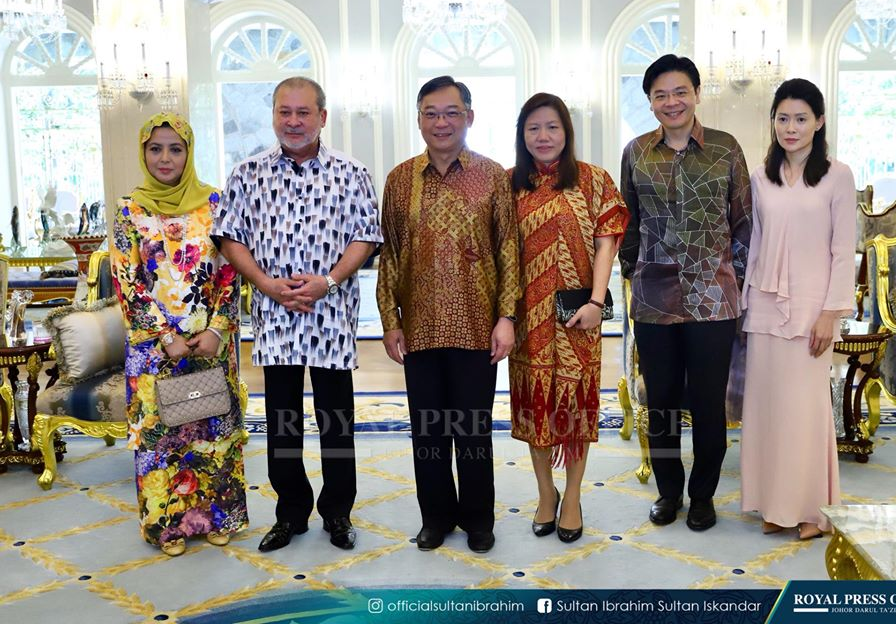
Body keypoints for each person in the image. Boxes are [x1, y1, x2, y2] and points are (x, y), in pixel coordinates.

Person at [213, 77, 381, 553]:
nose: (293, 121)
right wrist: (265, 284)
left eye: (303, 112)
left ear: (322, 117)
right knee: (282, 421)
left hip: (331, 314)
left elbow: (366, 236)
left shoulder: (352, 172)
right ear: (273, 115)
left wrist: (328, 280)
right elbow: (229, 237)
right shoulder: (247, 174)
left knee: (336, 420)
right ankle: (290, 513)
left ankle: (338, 512)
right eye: (284, 112)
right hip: (276, 316)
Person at [377, 75, 520, 554]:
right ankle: (435, 518)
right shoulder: (400, 180)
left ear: (469, 117)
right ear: (419, 119)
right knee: (429, 432)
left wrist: (507, 317)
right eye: (431, 113)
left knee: (473, 430)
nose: (441, 122)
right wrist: (390, 319)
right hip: (419, 327)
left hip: (477, 326)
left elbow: (508, 251)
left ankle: (479, 519)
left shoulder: (492, 176)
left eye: (451, 112)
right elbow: (390, 255)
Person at [619, 54, 752, 531]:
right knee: (661, 403)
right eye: (661, 95)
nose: (671, 102)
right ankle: (668, 492)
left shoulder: (725, 148)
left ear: (696, 93)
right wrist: (633, 273)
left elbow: (743, 222)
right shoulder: (636, 152)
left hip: (713, 299)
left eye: (680, 92)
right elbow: (627, 222)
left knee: (708, 403)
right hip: (653, 300)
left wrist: (734, 282)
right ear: (650, 101)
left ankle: (702, 496)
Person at [112, 113, 248, 557]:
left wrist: (217, 329)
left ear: (189, 153)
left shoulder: (215, 203)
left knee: (212, 430)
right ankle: (167, 527)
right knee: (161, 437)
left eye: (175, 148)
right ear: (143, 153)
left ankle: (216, 517)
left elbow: (230, 271)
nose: (165, 158)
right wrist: (163, 336)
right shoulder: (129, 210)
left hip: (209, 343)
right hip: (154, 349)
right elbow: (127, 280)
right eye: (155, 149)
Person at [508, 93, 628, 543]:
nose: (543, 136)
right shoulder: (509, 185)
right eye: (533, 128)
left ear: (567, 132)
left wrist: (597, 302)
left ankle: (573, 496)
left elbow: (606, 243)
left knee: (576, 409)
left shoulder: (594, 180)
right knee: (535, 407)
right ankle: (546, 493)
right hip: (527, 320)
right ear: (522, 135)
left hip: (579, 317)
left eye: (552, 126)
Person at [740, 78, 854, 540]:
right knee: (767, 408)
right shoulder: (760, 177)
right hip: (764, 306)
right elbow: (755, 244)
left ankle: (810, 510)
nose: (791, 128)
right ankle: (774, 504)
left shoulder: (837, 175)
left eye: (801, 119)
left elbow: (844, 250)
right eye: (783, 118)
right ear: (773, 122)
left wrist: (832, 312)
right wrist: (745, 303)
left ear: (819, 122)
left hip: (812, 309)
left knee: (804, 411)